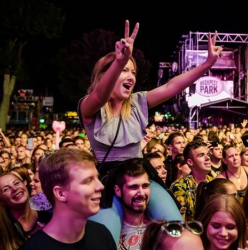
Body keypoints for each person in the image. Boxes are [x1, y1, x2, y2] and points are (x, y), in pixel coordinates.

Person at [79, 20, 222, 174]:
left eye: (133, 72)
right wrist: (119, 62)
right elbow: (101, 96)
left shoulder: (136, 102)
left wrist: (206, 65)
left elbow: (171, 86)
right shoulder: (88, 106)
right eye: (124, 70)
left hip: (141, 176)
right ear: (104, 75)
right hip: (110, 180)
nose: (131, 77)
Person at [19, 148, 116, 249]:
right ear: (60, 193)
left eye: (97, 178)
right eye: (88, 180)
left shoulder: (101, 234)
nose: (100, 186)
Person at [0, 172, 52, 241]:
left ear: (24, 184)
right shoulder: (4, 228)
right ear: (1, 202)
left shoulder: (47, 209)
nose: (14, 188)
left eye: (16, 183)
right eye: (6, 189)